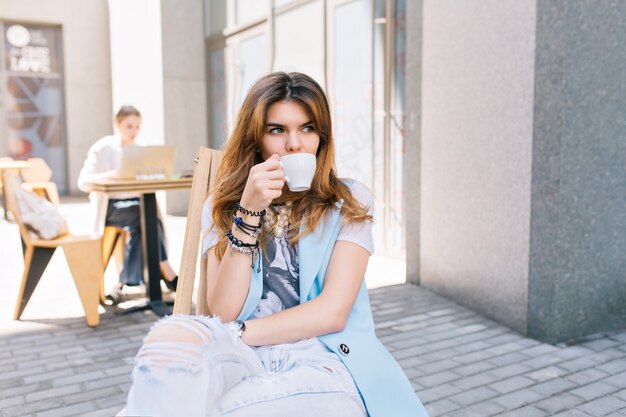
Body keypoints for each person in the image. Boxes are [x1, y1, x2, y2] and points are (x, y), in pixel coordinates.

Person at [123, 73, 428, 417]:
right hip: (241, 356)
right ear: (256, 139)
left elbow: (332, 312)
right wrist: (249, 211)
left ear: (321, 137)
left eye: (307, 128)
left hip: (320, 357)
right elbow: (223, 311)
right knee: (169, 340)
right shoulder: (222, 207)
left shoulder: (350, 201)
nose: (295, 144)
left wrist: (237, 333)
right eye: (278, 130)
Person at [77, 105, 178, 303]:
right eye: (129, 126)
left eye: (138, 127)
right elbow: (83, 182)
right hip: (111, 207)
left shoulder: (141, 148)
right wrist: (113, 176)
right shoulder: (102, 148)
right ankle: (165, 269)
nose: (134, 131)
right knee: (146, 218)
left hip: (136, 205)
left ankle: (123, 283)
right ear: (118, 125)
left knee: (144, 221)